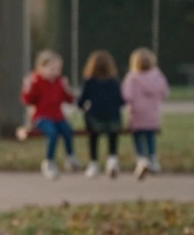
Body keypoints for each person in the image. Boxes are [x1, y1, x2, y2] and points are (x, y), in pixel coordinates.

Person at [20, 50, 81, 179]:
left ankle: (70, 157)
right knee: (52, 133)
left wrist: (68, 89)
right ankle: (49, 161)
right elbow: (27, 100)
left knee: (67, 130)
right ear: (41, 68)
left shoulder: (59, 82)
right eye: (52, 69)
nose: (55, 72)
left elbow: (68, 99)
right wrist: (28, 86)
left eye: (58, 69)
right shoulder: (36, 81)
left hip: (57, 116)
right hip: (41, 117)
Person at [122, 47, 169, 179]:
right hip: (153, 114)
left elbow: (127, 97)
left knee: (138, 136)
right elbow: (165, 93)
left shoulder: (132, 78)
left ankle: (141, 159)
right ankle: (153, 160)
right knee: (150, 136)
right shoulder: (158, 76)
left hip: (137, 114)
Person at [77, 50, 125, 178]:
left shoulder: (89, 82)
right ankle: (112, 158)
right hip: (114, 120)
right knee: (113, 133)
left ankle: (93, 163)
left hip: (95, 121)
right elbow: (121, 101)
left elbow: (80, 102)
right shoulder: (114, 82)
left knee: (93, 135)